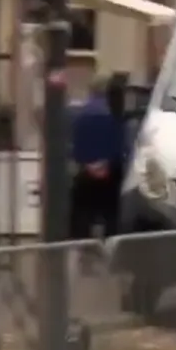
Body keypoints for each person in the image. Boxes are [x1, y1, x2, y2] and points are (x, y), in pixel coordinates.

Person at [68, 75, 123, 240]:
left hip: (86, 172)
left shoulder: (80, 114)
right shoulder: (116, 114)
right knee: (111, 216)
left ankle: (82, 250)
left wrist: (89, 165)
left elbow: (75, 148)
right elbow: (120, 146)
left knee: (82, 216)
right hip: (111, 174)